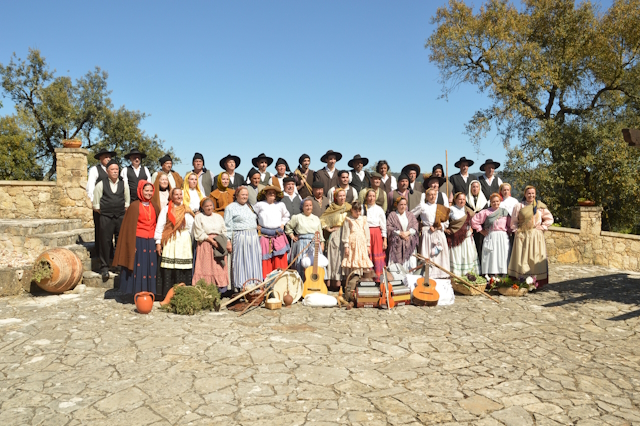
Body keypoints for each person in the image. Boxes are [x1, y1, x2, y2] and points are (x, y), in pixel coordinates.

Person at [112, 180, 157, 296]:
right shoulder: (134, 206)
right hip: (138, 240)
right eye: (146, 190)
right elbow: (129, 228)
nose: (149, 193)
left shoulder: (155, 205)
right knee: (139, 266)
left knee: (150, 266)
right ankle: (136, 291)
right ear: (141, 191)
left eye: (151, 191)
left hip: (151, 240)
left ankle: (149, 291)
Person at [508, 186, 554, 287]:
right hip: (522, 235)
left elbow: (549, 219)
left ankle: (535, 282)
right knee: (522, 258)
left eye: (533, 193)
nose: (531, 195)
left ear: (535, 194)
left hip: (535, 235)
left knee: (535, 257)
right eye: (529, 193)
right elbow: (514, 222)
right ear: (525, 194)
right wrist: (517, 232)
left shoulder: (540, 206)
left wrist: (542, 227)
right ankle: (521, 280)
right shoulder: (519, 206)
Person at [93, 159, 130, 281]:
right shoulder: (101, 184)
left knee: (120, 241)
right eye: (112, 170)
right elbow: (96, 204)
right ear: (107, 171)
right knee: (105, 241)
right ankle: (104, 267)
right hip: (106, 217)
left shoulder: (123, 184)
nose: (115, 172)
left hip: (120, 216)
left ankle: (118, 265)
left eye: (116, 170)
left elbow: (127, 201)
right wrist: (106, 211)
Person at [154, 188, 195, 296]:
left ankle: (183, 294)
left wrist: (191, 241)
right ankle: (168, 294)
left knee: (183, 267)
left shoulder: (186, 209)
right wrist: (158, 243)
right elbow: (160, 226)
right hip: (170, 239)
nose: (178, 196)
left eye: (180, 194)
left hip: (184, 240)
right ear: (171, 196)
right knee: (170, 267)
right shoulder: (166, 210)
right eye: (176, 194)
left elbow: (191, 227)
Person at [224, 187, 262, 290]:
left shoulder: (250, 207)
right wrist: (228, 240)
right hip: (240, 237)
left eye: (246, 195)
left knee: (254, 261)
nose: (245, 196)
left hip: (253, 237)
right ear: (237, 195)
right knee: (241, 262)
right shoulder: (230, 208)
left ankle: (255, 284)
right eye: (242, 194)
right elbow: (227, 225)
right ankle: (242, 286)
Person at [192, 198, 230, 291]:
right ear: (202, 207)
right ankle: (205, 289)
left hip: (219, 243)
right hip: (205, 244)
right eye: (206, 206)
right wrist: (212, 241)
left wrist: (222, 242)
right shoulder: (199, 217)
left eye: (210, 206)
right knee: (206, 267)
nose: (209, 208)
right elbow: (199, 232)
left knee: (218, 267)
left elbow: (224, 230)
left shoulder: (218, 217)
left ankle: (219, 290)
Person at [254, 186, 291, 278]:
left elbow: (286, 216)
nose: (271, 194)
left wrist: (282, 224)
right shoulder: (260, 205)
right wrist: (256, 225)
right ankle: (266, 283)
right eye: (269, 193)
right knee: (265, 261)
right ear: (265, 195)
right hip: (264, 235)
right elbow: (252, 216)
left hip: (278, 235)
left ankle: (280, 281)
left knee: (279, 260)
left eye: (273, 193)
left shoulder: (280, 205)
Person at [87, 148, 116, 264]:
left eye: (109, 157)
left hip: (112, 206)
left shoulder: (113, 170)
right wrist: (96, 204)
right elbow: (90, 187)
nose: (108, 159)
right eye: (105, 157)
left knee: (111, 230)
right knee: (100, 230)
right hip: (100, 206)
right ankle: (100, 255)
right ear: (100, 158)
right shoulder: (95, 170)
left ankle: (110, 254)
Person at [472, 193, 511, 276]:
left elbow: (510, 224)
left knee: (503, 255)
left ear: (500, 201)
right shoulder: (486, 212)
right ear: (490, 202)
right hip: (491, 235)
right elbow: (474, 221)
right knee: (491, 255)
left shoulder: (504, 212)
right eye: (493, 201)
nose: (495, 203)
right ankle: (491, 276)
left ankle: (503, 276)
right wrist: (481, 230)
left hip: (502, 236)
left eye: (497, 201)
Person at [415, 188, 450, 279]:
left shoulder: (440, 207)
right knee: (428, 255)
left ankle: (441, 275)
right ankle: (428, 276)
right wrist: (420, 224)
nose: (432, 196)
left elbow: (446, 222)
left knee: (439, 255)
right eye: (430, 195)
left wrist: (439, 226)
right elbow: (411, 215)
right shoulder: (422, 206)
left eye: (434, 195)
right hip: (427, 232)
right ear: (426, 196)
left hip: (438, 233)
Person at [285, 198, 325, 277]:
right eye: (306, 206)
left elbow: (320, 233)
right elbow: (288, 227)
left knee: (315, 264)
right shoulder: (297, 217)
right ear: (302, 207)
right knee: (302, 264)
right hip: (302, 244)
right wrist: (292, 236)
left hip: (315, 244)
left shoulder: (316, 218)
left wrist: (322, 243)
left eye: (310, 205)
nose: (308, 207)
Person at [320, 188, 351, 290]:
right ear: (336, 197)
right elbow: (322, 219)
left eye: (344, 195)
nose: (342, 198)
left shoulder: (349, 207)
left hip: (347, 234)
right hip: (336, 234)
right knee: (335, 258)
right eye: (340, 196)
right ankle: (334, 280)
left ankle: (344, 281)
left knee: (345, 257)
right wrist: (328, 228)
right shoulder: (331, 208)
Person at [445, 193, 479, 276]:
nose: (462, 201)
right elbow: (443, 221)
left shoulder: (467, 210)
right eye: (460, 199)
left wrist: (471, 227)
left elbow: (475, 219)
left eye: (464, 199)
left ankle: (468, 275)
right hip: (455, 238)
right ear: (455, 200)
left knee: (467, 256)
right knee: (457, 257)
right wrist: (445, 229)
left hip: (466, 238)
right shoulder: (450, 209)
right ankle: (456, 275)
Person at [341, 201, 374, 278]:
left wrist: (368, 245)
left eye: (359, 211)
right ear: (352, 210)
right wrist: (346, 246)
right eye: (356, 211)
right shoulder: (349, 220)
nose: (358, 213)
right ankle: (353, 279)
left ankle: (362, 278)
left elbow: (366, 233)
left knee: (362, 259)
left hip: (362, 244)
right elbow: (346, 233)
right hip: (353, 244)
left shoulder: (363, 219)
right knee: (353, 259)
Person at [387, 196, 419, 270]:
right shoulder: (392, 215)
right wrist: (400, 233)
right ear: (397, 205)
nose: (403, 206)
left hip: (409, 243)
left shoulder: (410, 215)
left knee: (410, 264)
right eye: (401, 204)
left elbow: (415, 226)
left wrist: (407, 233)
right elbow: (389, 227)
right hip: (396, 244)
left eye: (404, 204)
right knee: (396, 265)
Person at [362, 189, 387, 281]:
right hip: (365, 233)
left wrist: (385, 240)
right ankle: (367, 278)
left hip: (376, 234)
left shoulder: (379, 209)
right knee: (367, 254)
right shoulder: (362, 208)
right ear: (366, 197)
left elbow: (383, 226)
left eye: (373, 196)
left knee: (377, 255)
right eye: (369, 196)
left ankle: (377, 278)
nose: (371, 198)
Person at [467, 179, 488, 265]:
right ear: (470, 188)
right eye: (473, 187)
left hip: (481, 229)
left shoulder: (484, 201)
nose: (475, 189)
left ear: (479, 188)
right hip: (469, 229)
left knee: (481, 247)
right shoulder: (466, 200)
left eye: (477, 187)